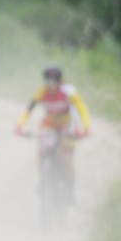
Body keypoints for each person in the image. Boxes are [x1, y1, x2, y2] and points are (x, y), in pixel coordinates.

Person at [14, 65, 90, 193]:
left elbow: (81, 108)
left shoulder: (69, 92)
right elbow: (29, 108)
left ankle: (70, 190)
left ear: (59, 81)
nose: (49, 85)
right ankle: (42, 181)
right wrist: (19, 126)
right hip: (49, 124)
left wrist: (85, 128)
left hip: (68, 125)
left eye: (52, 82)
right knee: (42, 150)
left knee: (66, 157)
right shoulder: (42, 91)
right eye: (47, 81)